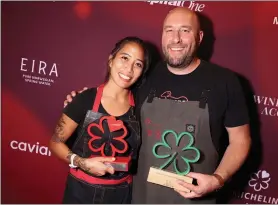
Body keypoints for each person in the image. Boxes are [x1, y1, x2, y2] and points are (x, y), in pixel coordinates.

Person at [64, 7, 251, 204]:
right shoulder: (144, 74)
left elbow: (240, 140)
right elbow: (112, 98)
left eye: (185, 30)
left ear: (199, 36)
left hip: (194, 198)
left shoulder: (225, 81)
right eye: (169, 30)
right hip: (140, 196)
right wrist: (80, 100)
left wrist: (217, 179)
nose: (175, 38)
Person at [49, 36, 150, 204]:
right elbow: (55, 142)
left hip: (121, 195)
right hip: (80, 193)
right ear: (111, 60)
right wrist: (81, 163)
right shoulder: (85, 99)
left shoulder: (141, 107)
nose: (129, 68)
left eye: (138, 64)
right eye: (124, 58)